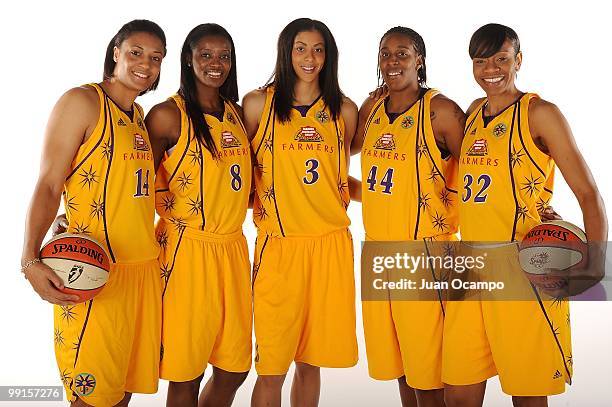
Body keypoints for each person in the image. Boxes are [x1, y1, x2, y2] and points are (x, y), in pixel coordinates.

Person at [442, 23, 608, 407]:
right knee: (458, 390)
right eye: (481, 61)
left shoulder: (540, 113)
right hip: (470, 264)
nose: (491, 69)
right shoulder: (473, 111)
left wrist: (593, 264)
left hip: (522, 265)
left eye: (501, 58)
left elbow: (589, 194)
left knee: (527, 393)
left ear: (519, 60)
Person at [20, 20, 166, 406]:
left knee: (120, 394)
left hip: (141, 271)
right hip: (94, 272)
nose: (145, 64)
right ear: (115, 52)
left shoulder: (137, 116)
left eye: (155, 58)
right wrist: (29, 259)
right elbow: (49, 184)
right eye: (136, 52)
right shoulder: (82, 102)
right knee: (90, 399)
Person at [242, 17, 358, 407]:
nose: (310, 57)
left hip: (330, 246)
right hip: (280, 247)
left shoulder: (343, 109)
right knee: (272, 366)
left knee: (311, 362)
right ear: (286, 52)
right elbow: (233, 170)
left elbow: (339, 172)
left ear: (329, 55)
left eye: (319, 49)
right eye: (301, 48)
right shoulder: (258, 103)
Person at [351, 27, 465, 407]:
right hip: (379, 252)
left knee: (429, 372)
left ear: (420, 59)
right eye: (386, 53)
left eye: (403, 52)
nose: (393, 60)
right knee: (400, 366)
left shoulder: (441, 111)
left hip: (425, 254)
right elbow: (346, 161)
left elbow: (484, 171)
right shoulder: (371, 110)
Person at [145, 23, 251, 407]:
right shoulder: (166, 116)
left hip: (233, 249)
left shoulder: (237, 114)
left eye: (224, 56)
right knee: (186, 374)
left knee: (234, 368)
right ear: (188, 59)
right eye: (205, 54)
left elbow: (243, 185)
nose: (215, 63)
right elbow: (133, 186)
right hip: (188, 249)